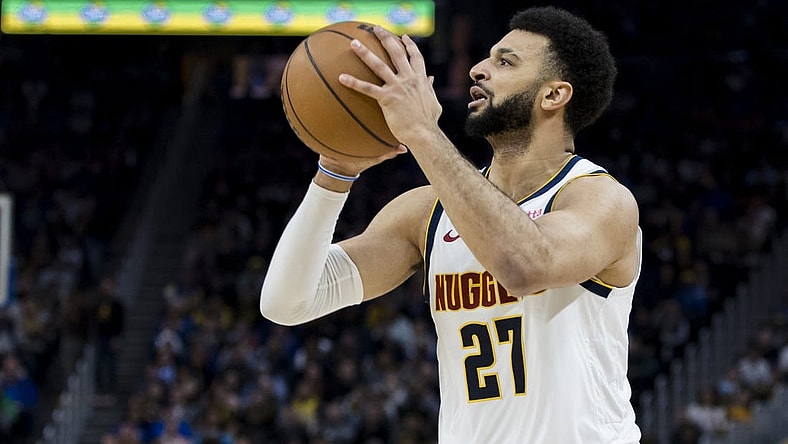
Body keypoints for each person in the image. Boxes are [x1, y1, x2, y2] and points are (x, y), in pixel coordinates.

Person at [261, 6, 642, 443]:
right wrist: (334, 174)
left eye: (505, 62)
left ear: (554, 95)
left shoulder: (598, 199)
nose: (479, 69)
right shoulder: (427, 211)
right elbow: (287, 303)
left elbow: (525, 265)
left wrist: (422, 132)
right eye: (487, 58)